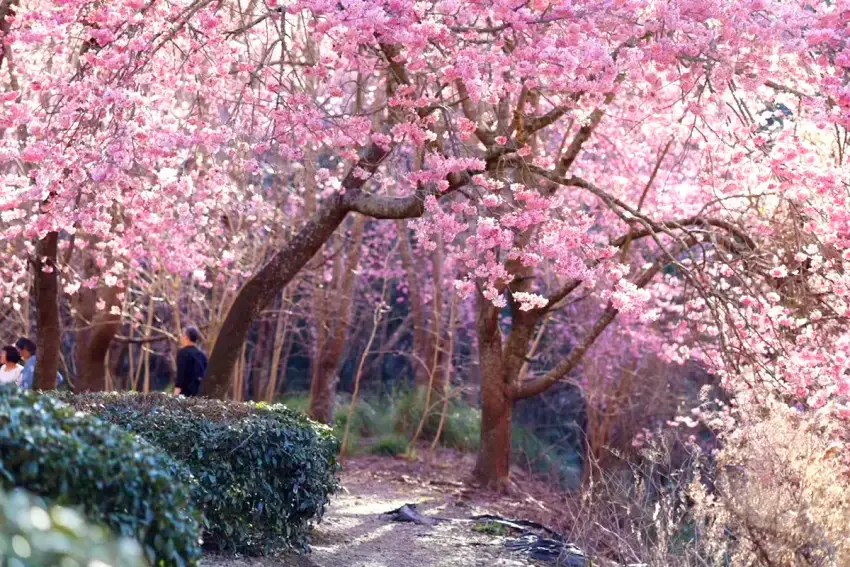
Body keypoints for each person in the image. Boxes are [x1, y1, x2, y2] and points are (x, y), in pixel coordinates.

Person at [174, 326, 207, 397]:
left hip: (185, 395)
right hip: (199, 395)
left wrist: (176, 394)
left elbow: (181, 375)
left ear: (186, 337)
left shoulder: (182, 353)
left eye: (182, 335)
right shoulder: (202, 355)